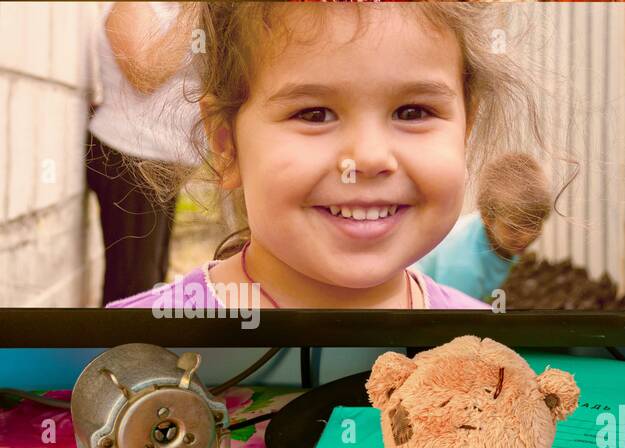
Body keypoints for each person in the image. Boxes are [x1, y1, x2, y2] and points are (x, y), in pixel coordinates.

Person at [109, 2, 562, 313]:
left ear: (466, 128)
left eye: (413, 111)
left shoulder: (493, 361)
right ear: (227, 146)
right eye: (314, 113)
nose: (366, 158)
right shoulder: (124, 358)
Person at [87, 1, 202, 305]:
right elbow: (145, 73)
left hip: (161, 166)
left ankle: (135, 348)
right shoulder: (134, 6)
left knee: (152, 278)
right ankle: (115, 350)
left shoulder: (180, 12)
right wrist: (195, 9)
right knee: (133, 287)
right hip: (130, 159)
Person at [416, 151, 551, 303]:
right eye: (514, 228)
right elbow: (452, 315)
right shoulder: (464, 266)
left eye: (534, 224)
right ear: (487, 219)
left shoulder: (504, 239)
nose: (527, 236)